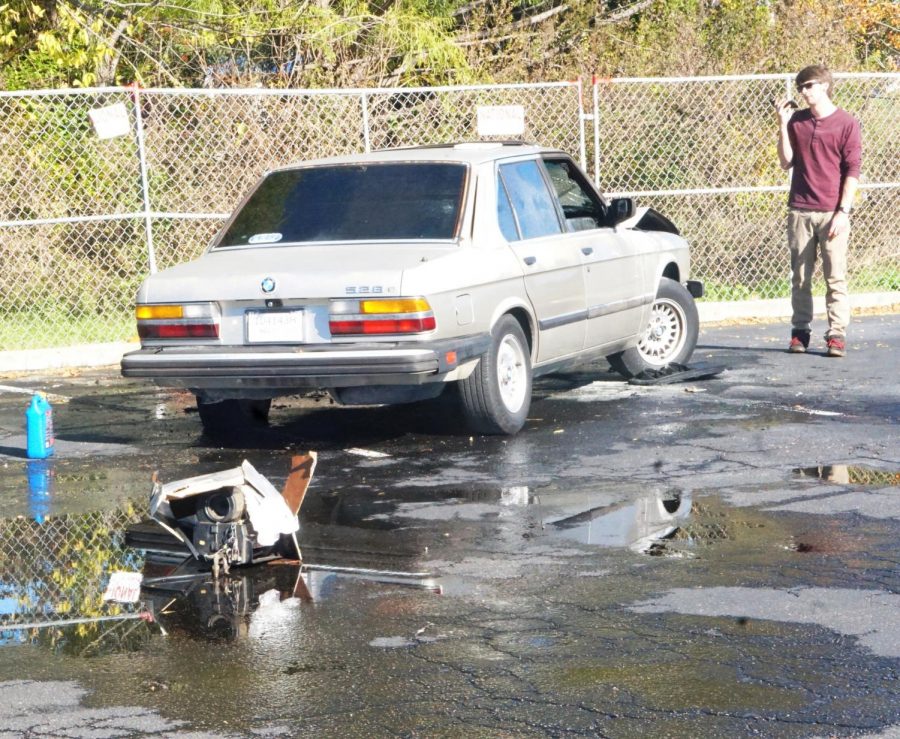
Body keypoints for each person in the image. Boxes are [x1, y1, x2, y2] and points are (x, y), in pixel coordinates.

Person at [775, 65, 862, 357]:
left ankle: (836, 334)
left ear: (824, 85)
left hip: (832, 213)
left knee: (835, 276)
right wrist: (782, 123)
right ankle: (800, 332)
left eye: (809, 85)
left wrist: (843, 211)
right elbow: (786, 162)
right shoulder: (797, 122)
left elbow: (852, 170)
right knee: (800, 277)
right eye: (801, 87)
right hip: (800, 210)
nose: (803, 91)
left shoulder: (846, 123)